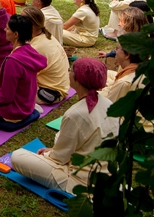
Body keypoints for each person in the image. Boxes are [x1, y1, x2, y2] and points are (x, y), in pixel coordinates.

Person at [11, 58, 119, 194]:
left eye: (71, 70)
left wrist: (49, 153)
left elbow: (59, 158)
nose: (69, 72)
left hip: (82, 180)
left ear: (78, 79)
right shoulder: (108, 103)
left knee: (17, 156)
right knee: (60, 136)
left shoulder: (76, 113)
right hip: (106, 171)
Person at [21, 7, 70, 104]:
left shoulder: (36, 47)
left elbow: (21, 75)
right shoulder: (46, 36)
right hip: (61, 87)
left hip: (50, 94)